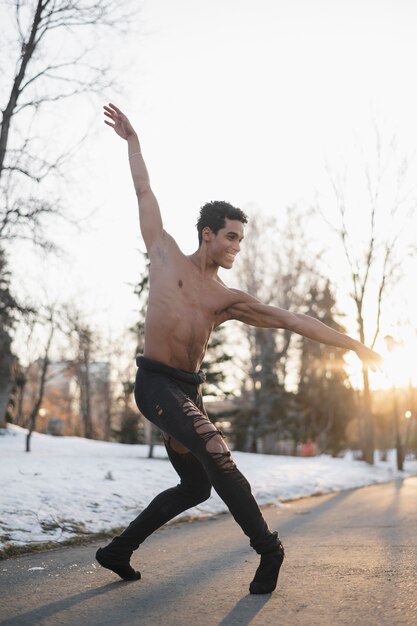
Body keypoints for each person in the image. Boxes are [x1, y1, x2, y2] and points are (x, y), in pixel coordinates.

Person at [96, 103, 383, 595]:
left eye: (241, 239)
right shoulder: (164, 257)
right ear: (207, 234)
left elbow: (290, 320)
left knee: (196, 486)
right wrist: (134, 143)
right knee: (217, 452)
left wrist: (352, 343)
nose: (237, 246)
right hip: (155, 383)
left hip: (188, 391)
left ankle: (118, 550)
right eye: (231, 237)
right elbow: (145, 191)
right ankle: (270, 550)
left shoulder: (227, 298)